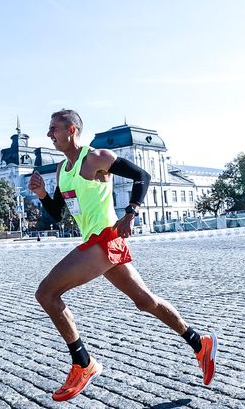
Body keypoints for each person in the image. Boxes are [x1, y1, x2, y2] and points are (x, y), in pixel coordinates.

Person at [30, 109, 217, 402]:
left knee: (46, 293)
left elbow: (142, 176)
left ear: (71, 130)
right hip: (99, 243)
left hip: (104, 240)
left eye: (53, 128)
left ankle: (83, 363)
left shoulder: (95, 158)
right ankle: (199, 342)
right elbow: (56, 214)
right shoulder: (61, 170)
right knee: (145, 301)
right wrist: (42, 194)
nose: (49, 134)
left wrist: (131, 212)